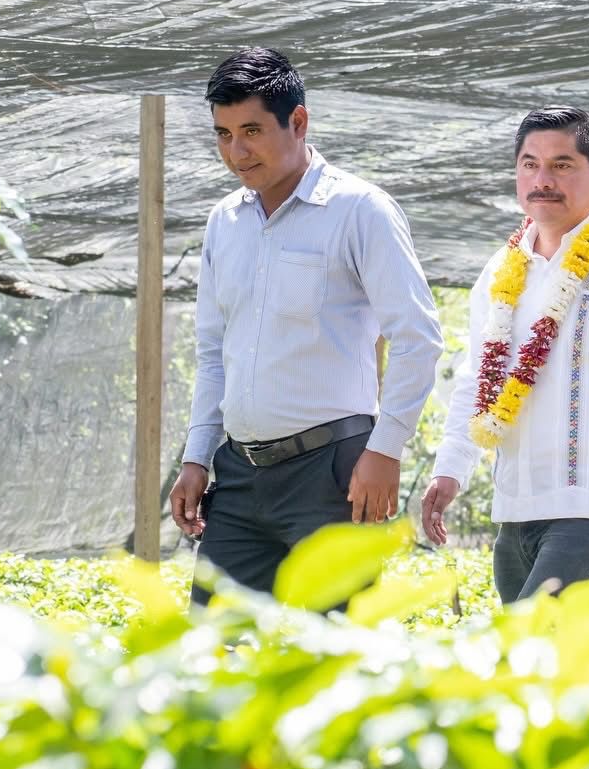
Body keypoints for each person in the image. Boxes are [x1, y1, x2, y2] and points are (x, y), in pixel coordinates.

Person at [169, 47, 443, 605]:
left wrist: (386, 449)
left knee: (331, 645)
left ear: (298, 122)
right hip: (238, 476)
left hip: (333, 475)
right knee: (211, 644)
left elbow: (418, 339)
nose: (237, 152)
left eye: (251, 131)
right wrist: (197, 457)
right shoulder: (225, 222)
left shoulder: (361, 210)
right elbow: (214, 352)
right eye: (223, 134)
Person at [421, 106, 589, 602]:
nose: (542, 180)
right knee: (526, 650)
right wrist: (451, 469)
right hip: (515, 510)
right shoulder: (503, 268)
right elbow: (477, 378)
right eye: (530, 164)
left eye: (562, 165)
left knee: (538, 640)